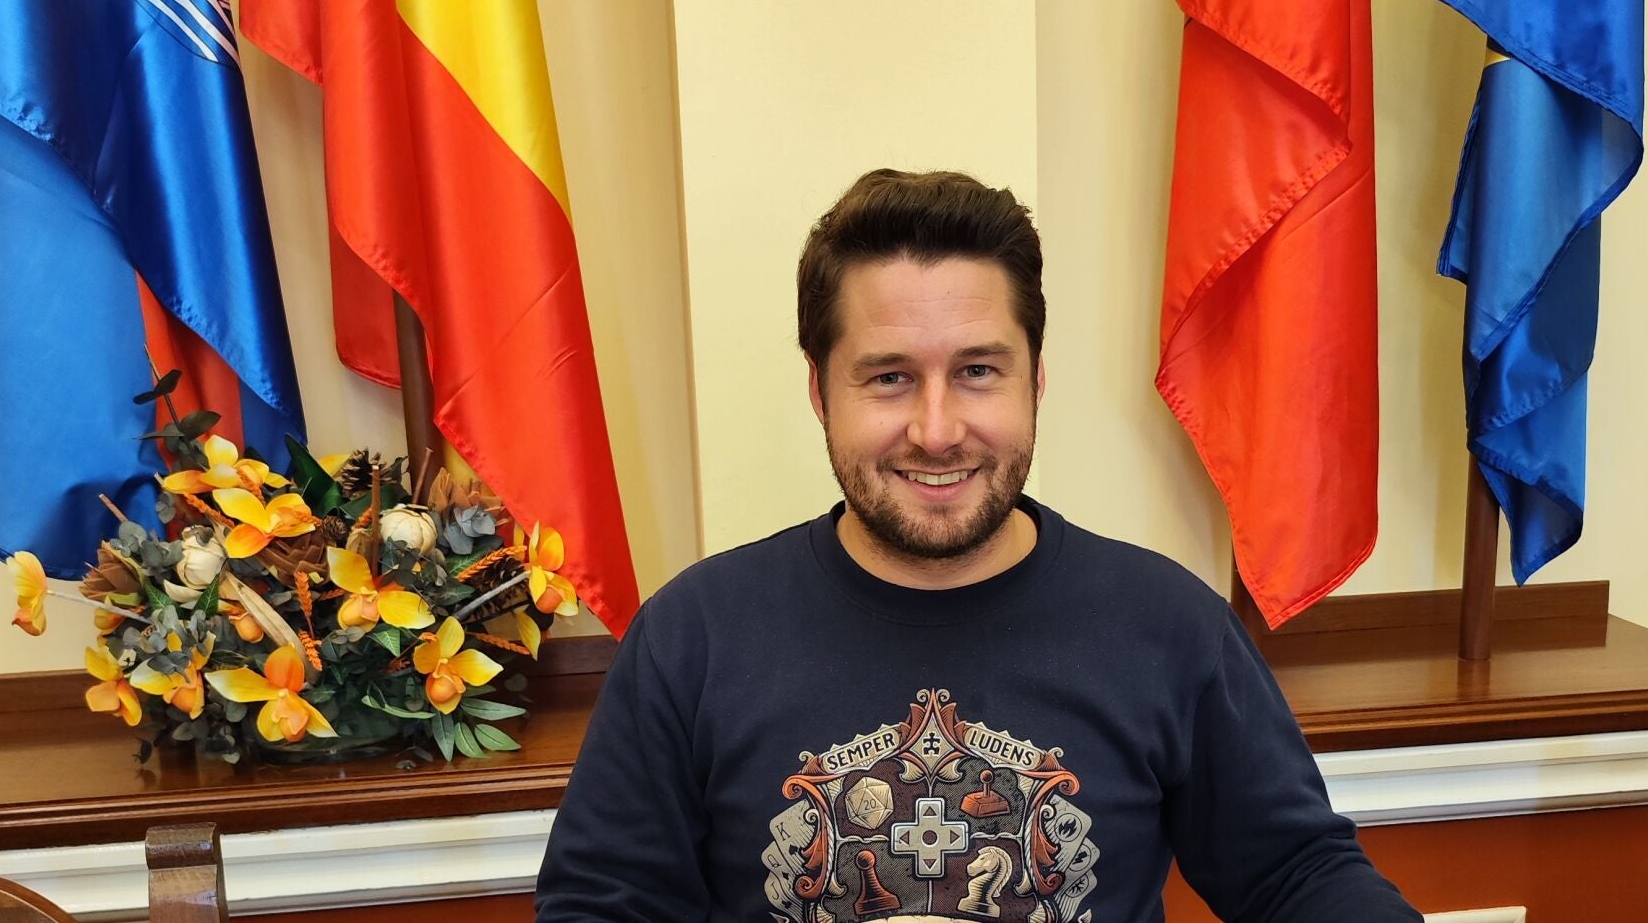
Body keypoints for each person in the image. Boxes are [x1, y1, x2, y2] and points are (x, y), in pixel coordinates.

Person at [535, 169, 1420, 921]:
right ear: (819, 391)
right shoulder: (691, 639)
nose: (937, 429)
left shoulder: (1169, 625)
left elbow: (1298, 874)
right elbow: (600, 905)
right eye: (889, 377)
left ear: (1036, 379)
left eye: (977, 371)